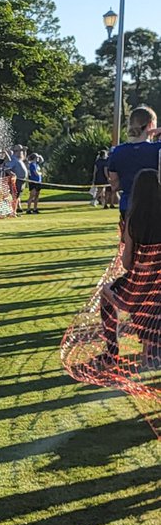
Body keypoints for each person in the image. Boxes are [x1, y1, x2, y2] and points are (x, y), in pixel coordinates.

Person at [99, 168, 161, 365]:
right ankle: (149, 346)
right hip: (158, 284)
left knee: (106, 291)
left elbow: (126, 263)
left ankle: (112, 351)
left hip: (139, 287)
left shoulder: (133, 222)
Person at [108, 107, 161, 222]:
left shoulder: (117, 151)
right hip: (154, 205)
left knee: (128, 238)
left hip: (128, 205)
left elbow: (115, 185)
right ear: (151, 124)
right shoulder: (157, 149)